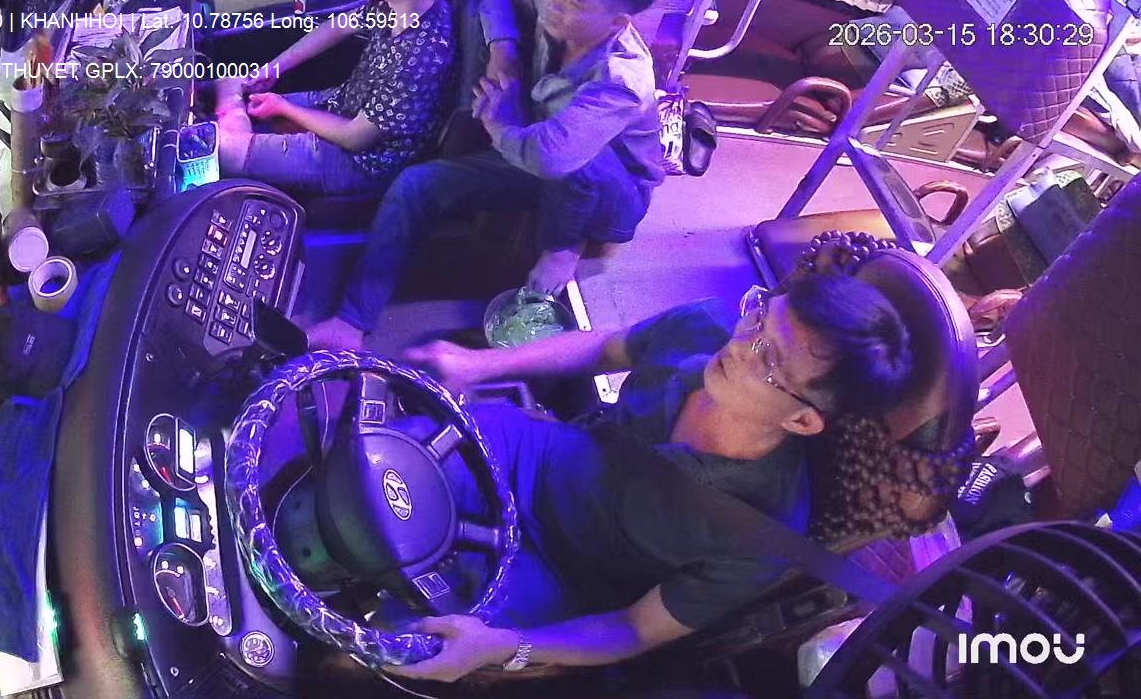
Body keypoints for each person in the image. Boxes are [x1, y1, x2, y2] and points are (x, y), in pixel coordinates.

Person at [376, 274, 959, 682]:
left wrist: (507, 647)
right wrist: (478, 364)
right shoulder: (704, 327)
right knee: (373, 459)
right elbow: (605, 347)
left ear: (803, 420)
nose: (741, 346)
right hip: (537, 452)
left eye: (770, 360)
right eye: (761, 316)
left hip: (559, 571)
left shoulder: (762, 531)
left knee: (398, 642)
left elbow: (634, 630)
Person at [307, 0, 666, 350]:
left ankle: (562, 249)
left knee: (582, 156)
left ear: (617, 23)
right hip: (536, 147)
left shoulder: (620, 81)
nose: (554, 1)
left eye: (573, 1)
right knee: (417, 184)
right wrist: (502, 47)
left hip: (608, 192)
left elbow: (551, 157)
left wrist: (500, 124)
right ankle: (350, 322)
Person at [214, 0, 455, 195]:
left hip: (363, 160)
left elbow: (355, 137)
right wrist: (274, 68)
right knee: (232, 88)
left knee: (224, 152)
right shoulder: (399, 3)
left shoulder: (418, 60)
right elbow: (339, 25)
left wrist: (284, 108)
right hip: (341, 103)